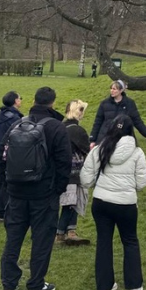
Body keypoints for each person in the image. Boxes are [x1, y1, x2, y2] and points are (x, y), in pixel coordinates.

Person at [0, 86, 72, 290]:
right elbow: (64, 164)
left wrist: (10, 183)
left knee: (13, 237)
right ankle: (35, 284)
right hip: (44, 193)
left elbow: (0, 155)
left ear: (34, 100)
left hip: (16, 191)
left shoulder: (17, 124)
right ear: (53, 102)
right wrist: (56, 190)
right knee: (41, 239)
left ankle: (9, 284)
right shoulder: (57, 128)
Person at [80, 114, 146, 290]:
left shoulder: (100, 150)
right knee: (130, 241)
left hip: (102, 202)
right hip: (126, 204)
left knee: (104, 242)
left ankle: (104, 287)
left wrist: (99, 184)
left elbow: (85, 178)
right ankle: (134, 285)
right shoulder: (137, 153)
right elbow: (142, 183)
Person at [57, 100, 91, 246]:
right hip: (74, 171)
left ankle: (70, 231)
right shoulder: (78, 131)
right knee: (72, 202)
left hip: (59, 170)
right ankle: (60, 232)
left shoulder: (59, 127)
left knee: (70, 202)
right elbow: (86, 150)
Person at [89, 80, 146, 147]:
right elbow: (97, 122)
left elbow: (137, 120)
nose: (111, 91)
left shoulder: (130, 103)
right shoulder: (104, 103)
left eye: (114, 89)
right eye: (111, 88)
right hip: (105, 137)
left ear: (121, 90)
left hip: (122, 138)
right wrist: (92, 140)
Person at [0, 91, 23, 222]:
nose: (21, 100)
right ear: (15, 101)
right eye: (20, 98)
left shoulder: (0, 115)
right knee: (6, 184)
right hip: (8, 154)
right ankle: (1, 213)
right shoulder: (15, 119)